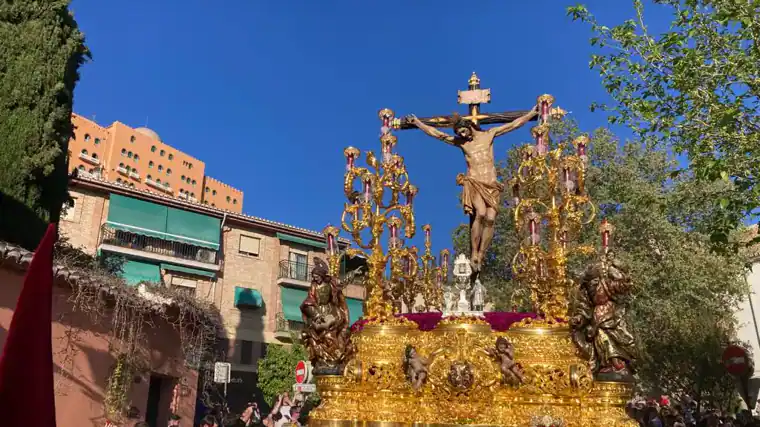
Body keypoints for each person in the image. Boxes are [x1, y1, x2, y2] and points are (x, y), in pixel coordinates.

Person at [407, 107, 538, 275]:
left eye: (463, 130)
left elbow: (513, 125)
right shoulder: (462, 144)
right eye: (459, 132)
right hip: (474, 182)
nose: (462, 135)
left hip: (491, 184)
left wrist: (531, 114)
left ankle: (481, 253)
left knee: (491, 218)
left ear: (469, 126)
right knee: (481, 213)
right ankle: (474, 252)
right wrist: (418, 123)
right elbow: (437, 134)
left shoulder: (489, 135)